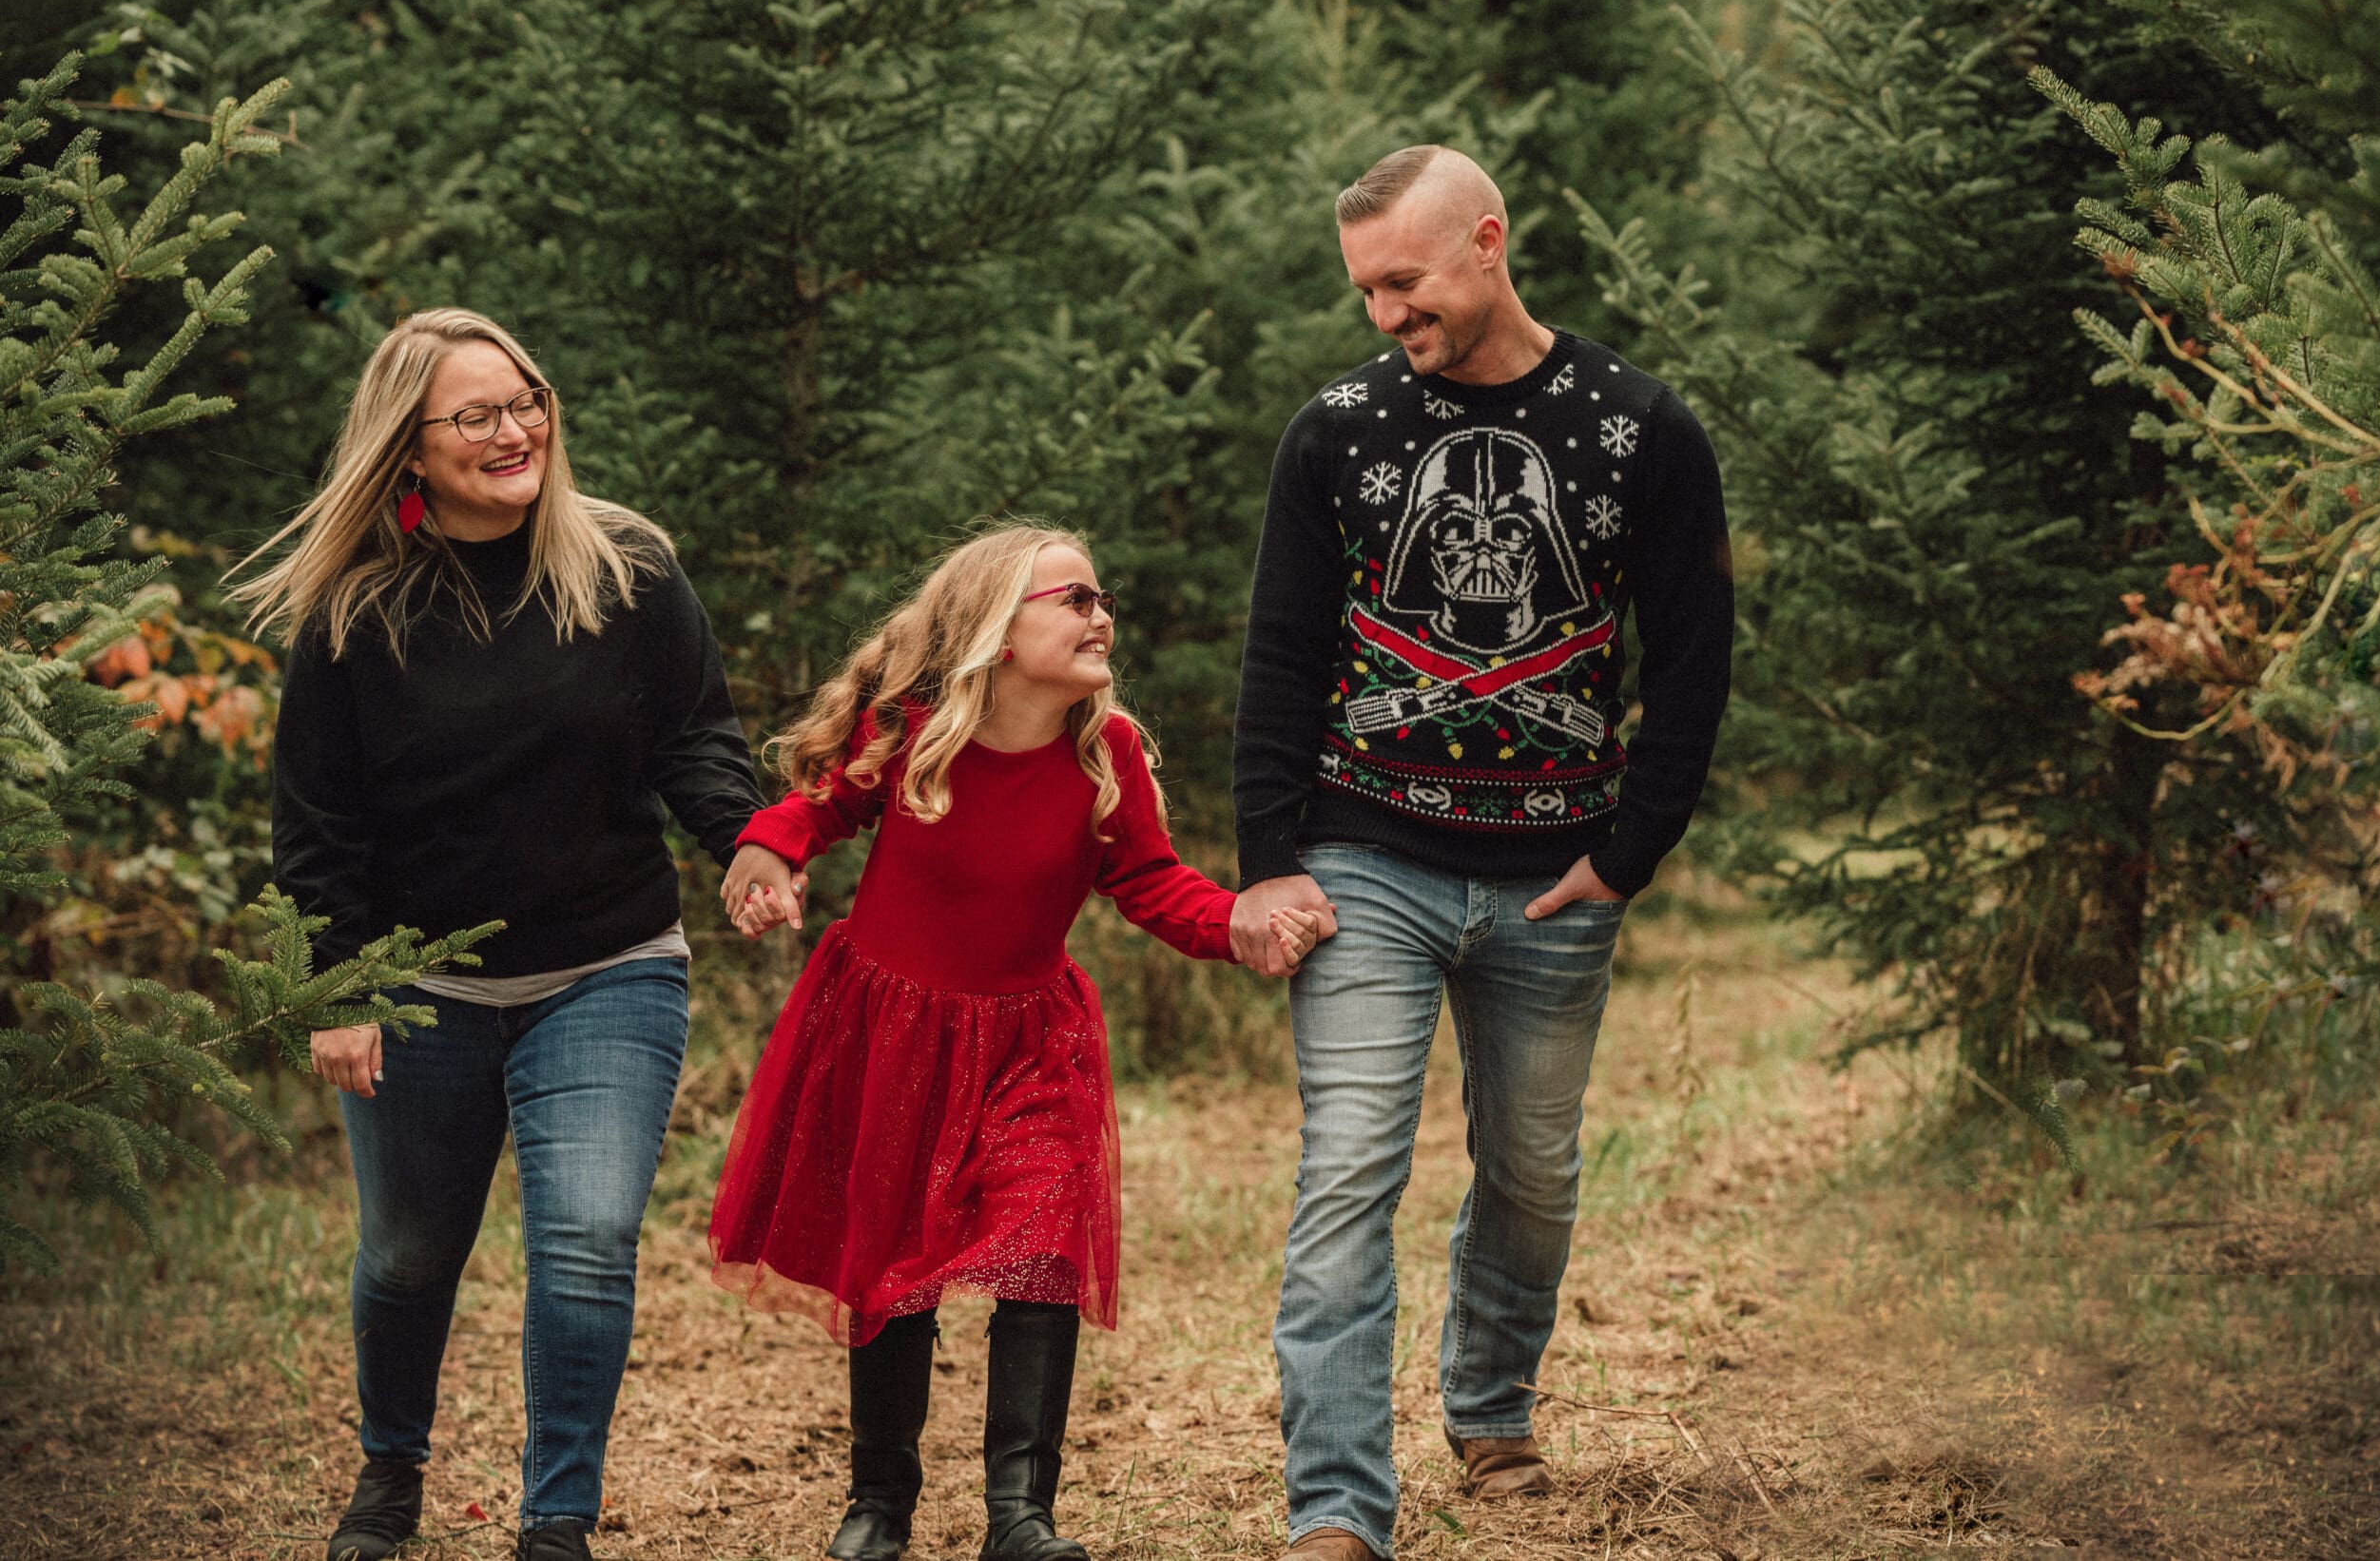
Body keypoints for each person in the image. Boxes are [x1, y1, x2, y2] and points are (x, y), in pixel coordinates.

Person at [1229, 145, 1734, 1560]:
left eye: (1405, 281)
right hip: (1362, 861)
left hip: (1553, 875)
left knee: (1532, 1167)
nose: (1386, 313)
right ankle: (1336, 1506)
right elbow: (1279, 656)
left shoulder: (1640, 429)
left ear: (1488, 243)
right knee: (1349, 1171)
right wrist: (1271, 856)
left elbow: (1694, 659)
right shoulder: (1335, 430)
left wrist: (1631, 853)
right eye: (1366, 291)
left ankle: (1492, 1401)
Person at [232, 308, 764, 1561]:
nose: (516, 428)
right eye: (476, 414)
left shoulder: (627, 567)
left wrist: (745, 842)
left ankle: (557, 1520)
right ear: (409, 448)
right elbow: (316, 820)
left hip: (609, 966)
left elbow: (697, 737)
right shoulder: (355, 610)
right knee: (411, 1252)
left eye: (526, 398)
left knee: (584, 1238)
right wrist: (338, 985)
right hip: (420, 991)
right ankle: (391, 1466)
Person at [709, 524, 1322, 1561]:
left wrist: (1235, 922)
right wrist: (769, 851)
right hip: (893, 1028)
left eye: (1101, 596)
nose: (1100, 613)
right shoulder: (912, 726)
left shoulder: (1104, 749)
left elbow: (1148, 879)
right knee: (894, 1266)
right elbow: (819, 802)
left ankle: (1019, 1513)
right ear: (996, 628)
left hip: (1033, 1040)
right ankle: (879, 1502)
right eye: (1072, 598)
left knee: (1043, 1250)